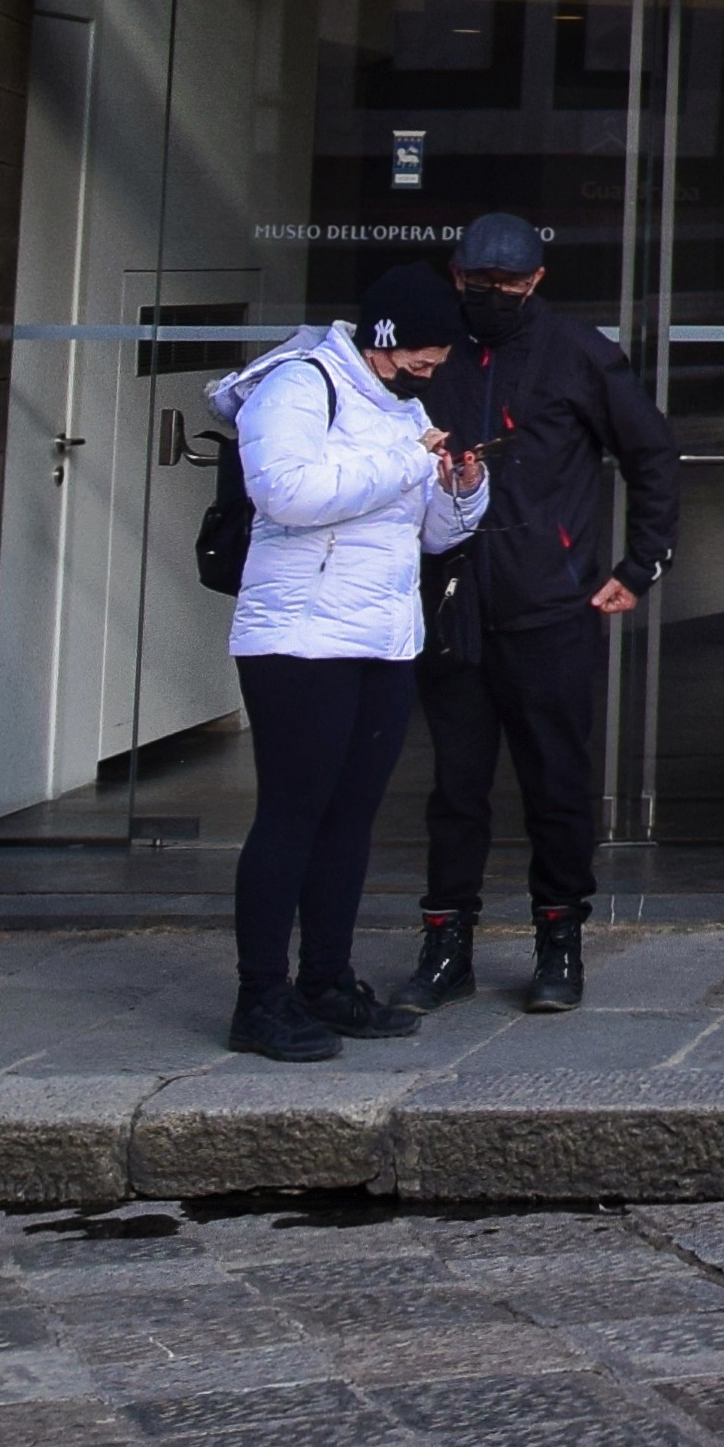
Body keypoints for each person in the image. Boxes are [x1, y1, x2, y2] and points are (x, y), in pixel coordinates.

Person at [209, 261, 483, 1064]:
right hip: (298, 639)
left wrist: (461, 488)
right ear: (391, 339)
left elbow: (433, 535)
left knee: (349, 822)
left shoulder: (402, 405)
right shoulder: (299, 387)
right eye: (429, 352)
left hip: (380, 635)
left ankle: (326, 981)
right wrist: (406, 464)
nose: (438, 368)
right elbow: (286, 492)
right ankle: (259, 998)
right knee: (292, 816)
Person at [405, 209, 675, 1017]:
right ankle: (445, 942)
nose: (491, 297)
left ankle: (560, 939)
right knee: (455, 788)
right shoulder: (433, 350)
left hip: (549, 605)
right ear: (456, 276)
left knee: (556, 785)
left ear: (536, 282)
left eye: (508, 285)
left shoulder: (579, 355)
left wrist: (639, 567)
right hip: (450, 603)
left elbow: (652, 454)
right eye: (477, 283)